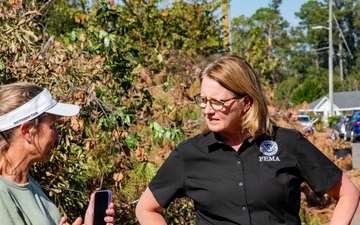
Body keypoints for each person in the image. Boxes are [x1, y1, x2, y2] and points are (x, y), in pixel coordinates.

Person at [135, 55, 360, 224]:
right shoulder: (189, 154)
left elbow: (347, 192)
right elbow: (146, 208)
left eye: (217, 102)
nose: (207, 110)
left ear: (247, 102)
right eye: (203, 100)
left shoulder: (288, 144)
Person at [0, 82, 115, 225]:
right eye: (52, 126)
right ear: (27, 131)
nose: (57, 136)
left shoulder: (25, 182)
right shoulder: (2, 193)